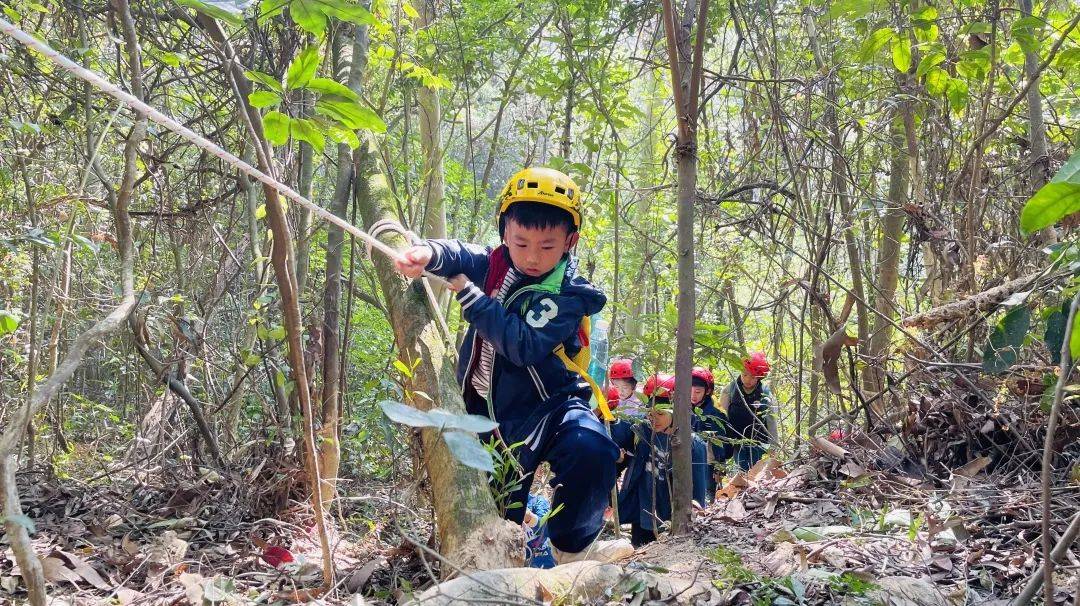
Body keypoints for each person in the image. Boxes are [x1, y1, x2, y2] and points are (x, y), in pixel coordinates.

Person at [394, 166, 630, 563]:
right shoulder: (493, 264)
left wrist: (470, 296)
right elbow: (458, 254)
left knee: (593, 449)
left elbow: (522, 344)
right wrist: (428, 254)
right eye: (521, 243)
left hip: (553, 406)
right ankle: (506, 569)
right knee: (497, 512)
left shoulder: (570, 295)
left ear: (570, 242)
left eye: (547, 246)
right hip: (491, 414)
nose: (532, 257)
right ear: (505, 232)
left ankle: (573, 549)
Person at [616, 373, 709, 547]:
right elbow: (620, 439)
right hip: (643, 511)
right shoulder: (642, 429)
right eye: (649, 413)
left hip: (670, 515)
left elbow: (698, 489)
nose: (653, 418)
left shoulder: (693, 445)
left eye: (660, 413)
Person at [717, 352, 775, 470]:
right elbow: (721, 415)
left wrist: (773, 447)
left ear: (759, 377)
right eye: (745, 375)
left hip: (760, 442)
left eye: (753, 377)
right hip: (737, 441)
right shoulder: (731, 389)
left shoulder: (765, 393)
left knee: (757, 472)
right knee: (742, 470)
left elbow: (771, 421)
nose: (748, 380)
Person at [689, 366, 729, 495]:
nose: (693, 396)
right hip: (687, 457)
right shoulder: (682, 407)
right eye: (690, 391)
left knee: (707, 491)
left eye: (698, 392)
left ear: (707, 391)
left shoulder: (716, 413)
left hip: (708, 460)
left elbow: (720, 442)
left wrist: (720, 467)